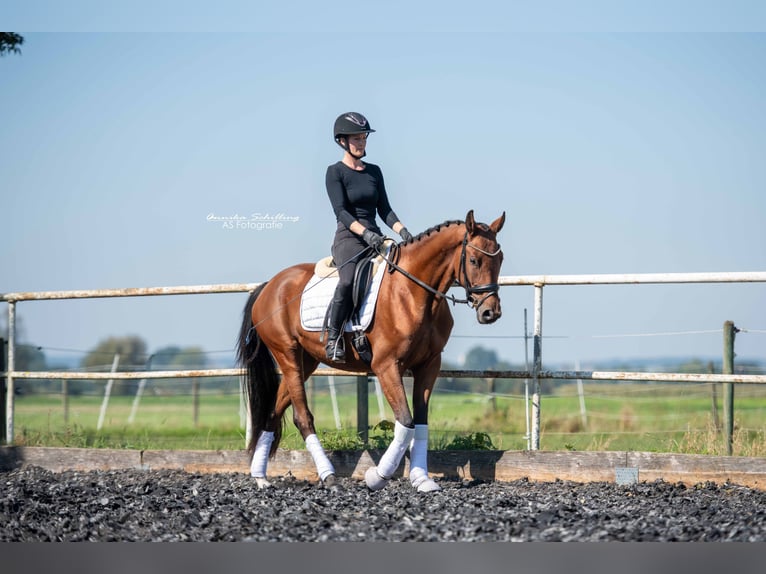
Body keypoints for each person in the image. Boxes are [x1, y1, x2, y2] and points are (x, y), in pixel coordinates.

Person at [324, 112, 413, 363]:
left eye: (363, 137)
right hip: (349, 238)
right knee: (347, 281)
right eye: (356, 138)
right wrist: (365, 234)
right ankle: (334, 336)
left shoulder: (374, 171)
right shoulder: (335, 172)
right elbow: (341, 212)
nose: (362, 143)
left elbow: (384, 209)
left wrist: (403, 231)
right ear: (342, 141)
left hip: (376, 237)